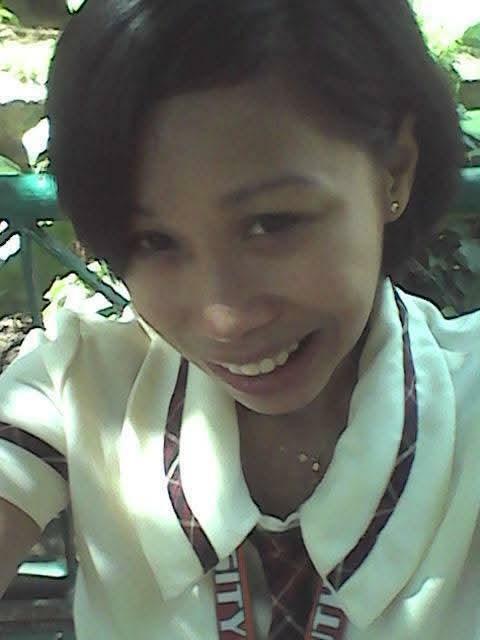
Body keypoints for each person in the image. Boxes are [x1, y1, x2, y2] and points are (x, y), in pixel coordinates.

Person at [0, 0, 478, 638]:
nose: (224, 319)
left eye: (271, 224)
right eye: (153, 242)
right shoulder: (78, 392)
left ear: (394, 171)